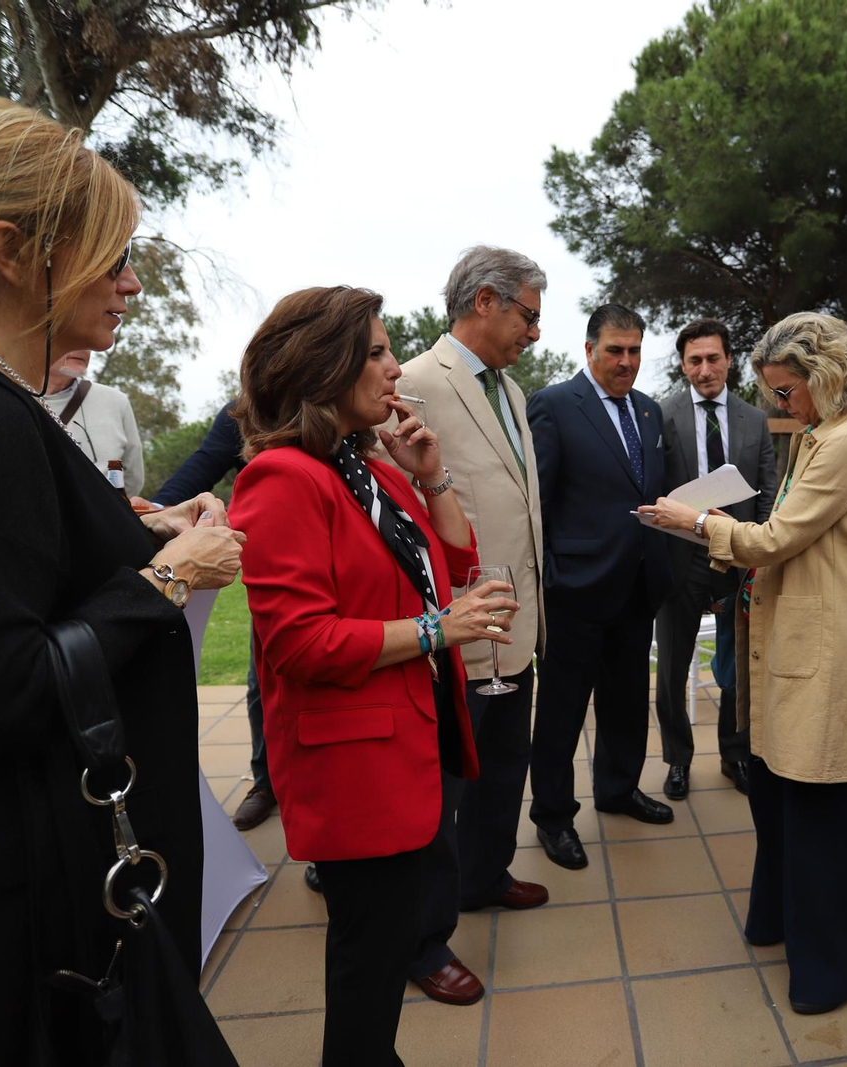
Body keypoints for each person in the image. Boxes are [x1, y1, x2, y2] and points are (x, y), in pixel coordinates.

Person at [0, 89, 245, 1063]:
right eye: (115, 252)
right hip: (23, 931)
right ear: (11, 251)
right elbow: (0, 683)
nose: (131, 283)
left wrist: (128, 529)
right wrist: (171, 574)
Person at [228, 285, 517, 1064]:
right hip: (356, 765)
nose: (395, 369)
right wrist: (437, 628)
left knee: (384, 954)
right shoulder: (284, 477)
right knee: (366, 968)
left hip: (410, 742)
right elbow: (299, 641)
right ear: (326, 365)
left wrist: (431, 477)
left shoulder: (369, 467)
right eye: (381, 351)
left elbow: (452, 566)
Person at [642, 311, 847, 1016]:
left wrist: (694, 522)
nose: (783, 406)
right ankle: (781, 920)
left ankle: (832, 963)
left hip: (832, 644)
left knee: (820, 800)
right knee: (782, 792)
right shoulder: (820, 432)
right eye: (778, 393)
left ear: (826, 377)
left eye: (789, 391)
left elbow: (777, 535)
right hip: (799, 635)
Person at [383, 246, 552, 1005]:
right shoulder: (417, 380)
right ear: (485, 301)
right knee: (446, 781)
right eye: (528, 315)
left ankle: (486, 875)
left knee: (504, 764)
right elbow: (404, 500)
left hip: (516, 616)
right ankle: (424, 937)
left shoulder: (510, 389)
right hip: (455, 623)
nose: (535, 333)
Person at [526, 304, 673, 869]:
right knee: (562, 712)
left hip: (638, 586)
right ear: (589, 350)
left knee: (627, 703)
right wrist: (550, 579)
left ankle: (617, 789)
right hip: (576, 590)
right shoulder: (556, 405)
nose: (627, 361)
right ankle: (554, 817)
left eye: (635, 350)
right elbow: (539, 501)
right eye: (615, 350)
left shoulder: (650, 411)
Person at [138, 402, 281, 835]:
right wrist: (149, 519)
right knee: (266, 678)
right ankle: (266, 781)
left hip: (350, 565)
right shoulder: (246, 410)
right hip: (275, 567)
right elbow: (202, 466)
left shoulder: (351, 402)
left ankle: (334, 821)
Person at [655, 317, 777, 799]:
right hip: (680, 559)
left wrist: (760, 551)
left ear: (728, 359)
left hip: (740, 557)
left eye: (712, 358)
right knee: (672, 666)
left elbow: (767, 490)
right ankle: (678, 760)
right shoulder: (661, 416)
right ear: (683, 365)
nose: (704, 369)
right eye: (694, 360)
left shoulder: (755, 419)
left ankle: (734, 753)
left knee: (737, 664)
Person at [42, 349, 146, 493]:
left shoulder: (115, 402)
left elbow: (133, 478)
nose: (81, 346)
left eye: (86, 338)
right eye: (69, 334)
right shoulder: (9, 398)